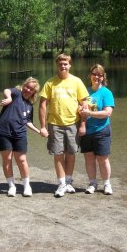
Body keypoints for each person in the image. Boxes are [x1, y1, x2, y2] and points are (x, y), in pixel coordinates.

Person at [39, 54, 89, 198]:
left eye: (65, 64)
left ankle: (68, 181)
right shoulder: (50, 83)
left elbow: (84, 104)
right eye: (60, 64)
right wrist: (42, 126)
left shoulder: (77, 82)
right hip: (55, 124)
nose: (63, 66)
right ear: (57, 65)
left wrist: (83, 125)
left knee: (71, 153)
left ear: (70, 65)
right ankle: (61, 183)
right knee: (58, 153)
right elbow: (42, 105)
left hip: (73, 123)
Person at [0, 77, 48, 197]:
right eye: (27, 86)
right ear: (23, 86)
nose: (28, 90)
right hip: (3, 132)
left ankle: (26, 185)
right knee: (7, 159)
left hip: (20, 134)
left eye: (31, 89)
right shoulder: (16, 94)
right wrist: (8, 98)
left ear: (34, 92)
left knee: (22, 160)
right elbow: (6, 90)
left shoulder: (29, 105)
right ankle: (11, 186)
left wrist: (38, 131)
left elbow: (27, 121)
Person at [79, 64, 115, 195]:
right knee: (89, 158)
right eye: (94, 74)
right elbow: (79, 108)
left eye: (100, 75)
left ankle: (107, 184)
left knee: (103, 159)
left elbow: (107, 113)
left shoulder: (106, 92)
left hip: (101, 130)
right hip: (86, 131)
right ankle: (92, 183)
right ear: (90, 75)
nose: (96, 77)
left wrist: (89, 113)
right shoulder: (84, 91)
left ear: (103, 77)